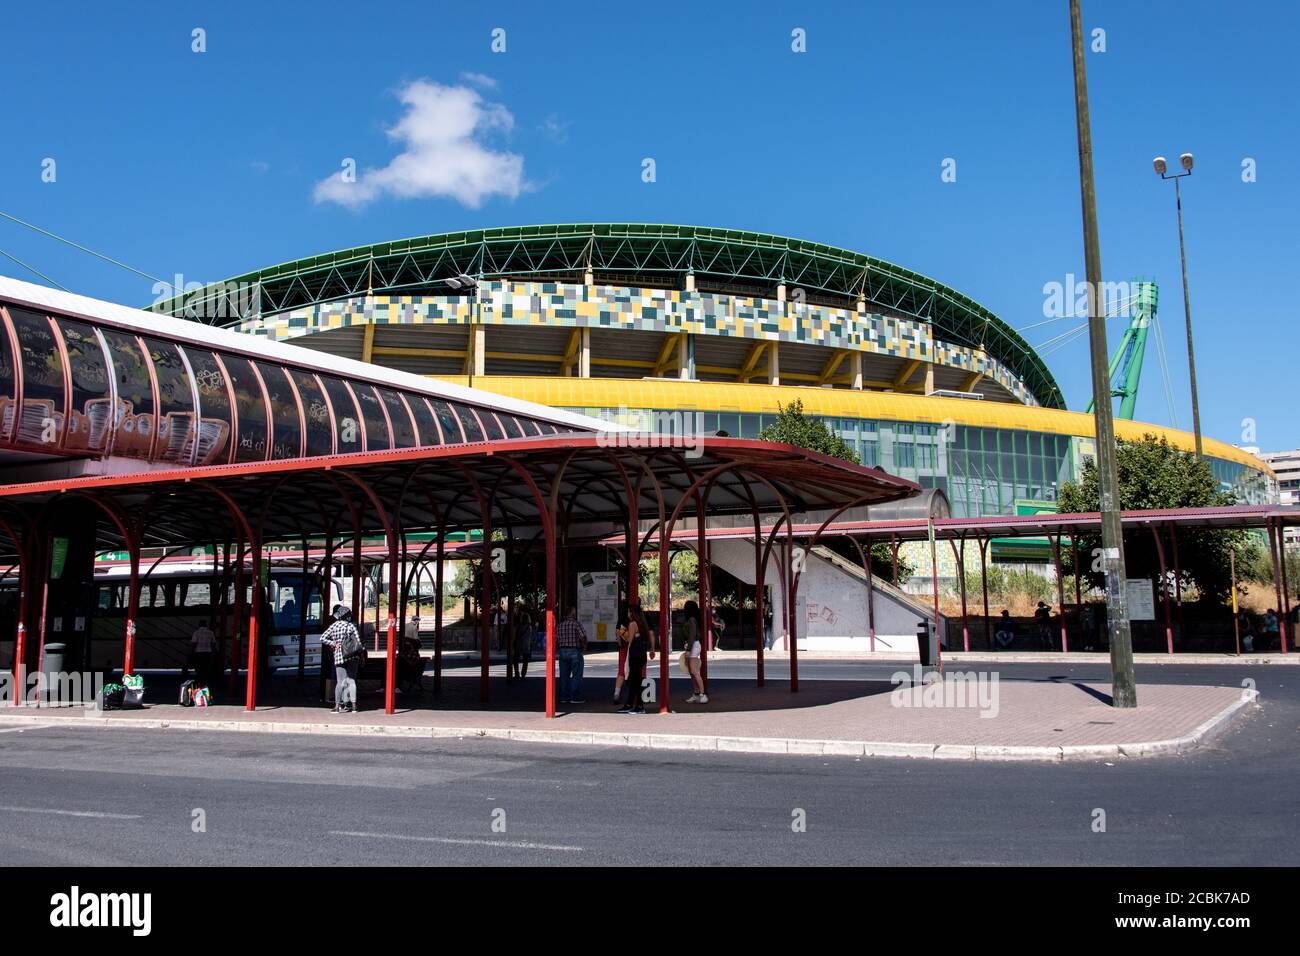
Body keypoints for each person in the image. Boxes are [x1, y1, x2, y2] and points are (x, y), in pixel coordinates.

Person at [320, 603, 363, 714]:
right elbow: (358, 643)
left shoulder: (334, 626)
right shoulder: (351, 626)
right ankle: (354, 706)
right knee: (351, 681)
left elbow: (322, 638)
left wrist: (334, 643)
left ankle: (337, 706)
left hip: (339, 656)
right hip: (352, 656)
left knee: (340, 682)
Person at [619, 604, 656, 714]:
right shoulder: (642, 624)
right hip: (641, 655)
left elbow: (629, 640)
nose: (628, 614)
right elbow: (650, 634)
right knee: (635, 680)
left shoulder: (632, 624)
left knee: (635, 681)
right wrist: (652, 649)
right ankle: (630, 704)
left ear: (632, 613)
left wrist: (622, 633)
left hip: (634, 655)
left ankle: (640, 706)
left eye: (629, 612)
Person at [556, 606, 588, 705]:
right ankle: (574, 696)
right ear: (573, 614)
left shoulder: (560, 626)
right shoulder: (576, 624)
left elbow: (555, 639)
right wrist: (584, 647)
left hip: (562, 651)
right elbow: (583, 636)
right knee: (576, 675)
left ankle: (564, 697)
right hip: (574, 650)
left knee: (564, 675)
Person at [683, 609, 708, 704]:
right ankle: (696, 693)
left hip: (693, 646)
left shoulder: (692, 620)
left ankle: (702, 694)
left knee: (694, 671)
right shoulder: (692, 619)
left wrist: (688, 649)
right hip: (692, 645)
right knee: (692, 672)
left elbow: (692, 635)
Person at [190, 619, 218, 686]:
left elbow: (194, 643)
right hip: (208, 652)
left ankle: (199, 681)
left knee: (199, 667)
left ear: (199, 624)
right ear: (206, 625)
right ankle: (205, 681)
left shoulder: (196, 633)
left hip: (198, 652)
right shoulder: (211, 633)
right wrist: (214, 653)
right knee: (206, 667)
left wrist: (191, 652)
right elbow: (213, 644)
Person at [512, 607, 534, 681]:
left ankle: (517, 674)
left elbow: (515, 635)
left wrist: (514, 643)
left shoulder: (518, 626)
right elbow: (531, 638)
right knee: (525, 661)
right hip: (526, 645)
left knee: (515, 660)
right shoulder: (529, 627)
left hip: (518, 645)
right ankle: (523, 675)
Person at [612, 620, 630, 705]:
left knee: (621, 672)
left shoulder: (621, 619)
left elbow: (617, 632)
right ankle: (636, 696)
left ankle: (616, 693)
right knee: (636, 670)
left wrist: (620, 644)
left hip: (623, 648)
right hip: (634, 648)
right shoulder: (636, 619)